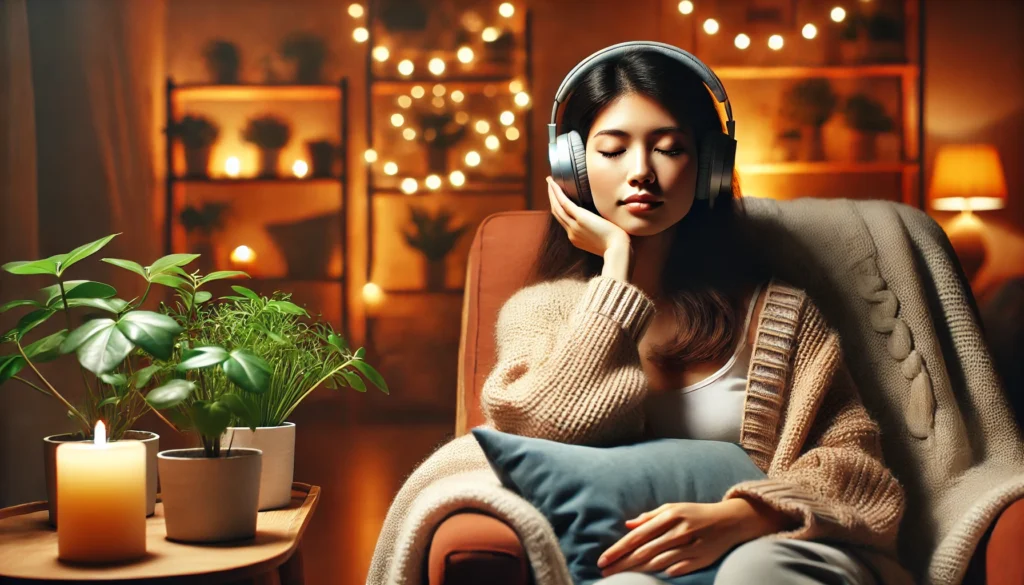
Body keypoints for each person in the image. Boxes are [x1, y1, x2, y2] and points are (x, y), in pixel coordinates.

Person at [478, 45, 910, 585]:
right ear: (572, 169)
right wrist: (616, 268)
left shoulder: (778, 315)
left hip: (774, 548)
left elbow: (855, 466)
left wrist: (745, 515)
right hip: (631, 566)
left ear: (709, 165)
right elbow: (547, 431)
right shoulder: (537, 312)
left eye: (669, 149)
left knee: (757, 571)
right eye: (612, 151)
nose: (641, 173)